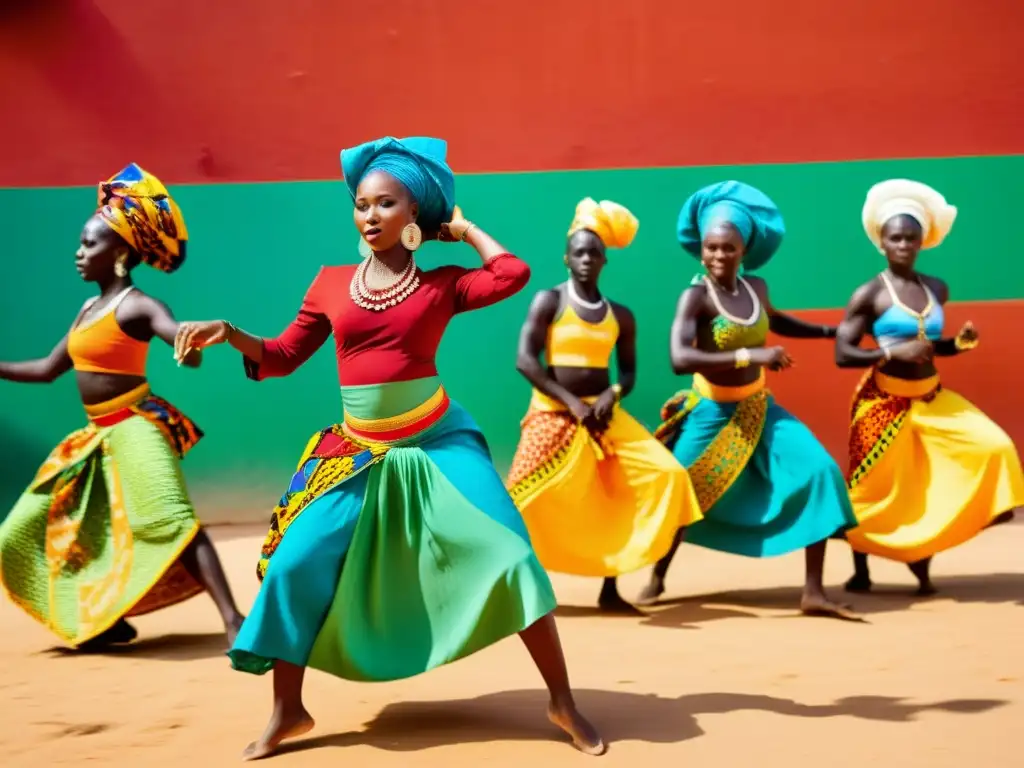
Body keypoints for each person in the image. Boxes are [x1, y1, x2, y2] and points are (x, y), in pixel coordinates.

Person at [172, 137, 604, 760]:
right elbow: (283, 356)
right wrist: (229, 333)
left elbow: (512, 273)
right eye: (362, 204)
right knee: (293, 564)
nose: (370, 215)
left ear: (414, 217)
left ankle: (562, 701)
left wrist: (460, 228)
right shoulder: (330, 284)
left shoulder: (443, 285)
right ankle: (289, 710)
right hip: (356, 450)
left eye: (387, 203)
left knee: (509, 554)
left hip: (438, 442)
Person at [0, 163, 245, 651]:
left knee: (170, 518)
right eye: (81, 242)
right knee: (21, 532)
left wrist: (190, 344)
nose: (79, 252)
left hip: (135, 426)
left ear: (120, 254)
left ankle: (235, 620)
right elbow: (49, 369)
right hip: (94, 437)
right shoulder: (86, 311)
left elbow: (179, 339)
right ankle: (108, 621)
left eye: (89, 244)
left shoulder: (138, 305)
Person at [637, 180, 859, 619]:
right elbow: (679, 359)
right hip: (710, 413)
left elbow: (778, 322)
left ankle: (813, 591)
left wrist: (830, 332)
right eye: (712, 248)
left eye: (729, 249)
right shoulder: (695, 297)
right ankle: (657, 575)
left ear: (744, 251)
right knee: (682, 492)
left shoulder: (756, 287)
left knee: (820, 471)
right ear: (701, 250)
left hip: (759, 407)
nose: (719, 256)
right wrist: (751, 353)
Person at [508, 197, 700, 611]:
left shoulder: (621, 316)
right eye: (579, 252)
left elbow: (628, 373)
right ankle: (515, 587)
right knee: (522, 497)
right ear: (566, 257)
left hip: (602, 415)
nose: (587, 259)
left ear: (605, 260)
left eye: (595, 253)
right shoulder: (549, 301)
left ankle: (612, 589)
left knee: (666, 474)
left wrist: (613, 394)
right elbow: (525, 360)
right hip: (553, 413)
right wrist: (571, 404)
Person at [834, 179, 1023, 595]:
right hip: (882, 403)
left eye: (911, 238)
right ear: (881, 242)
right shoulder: (868, 294)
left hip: (932, 399)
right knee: (872, 490)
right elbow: (843, 354)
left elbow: (928, 347)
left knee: (991, 449)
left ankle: (925, 557)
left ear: (922, 242)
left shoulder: (936, 288)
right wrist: (890, 354)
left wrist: (956, 345)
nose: (903, 245)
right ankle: (861, 571)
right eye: (895, 238)